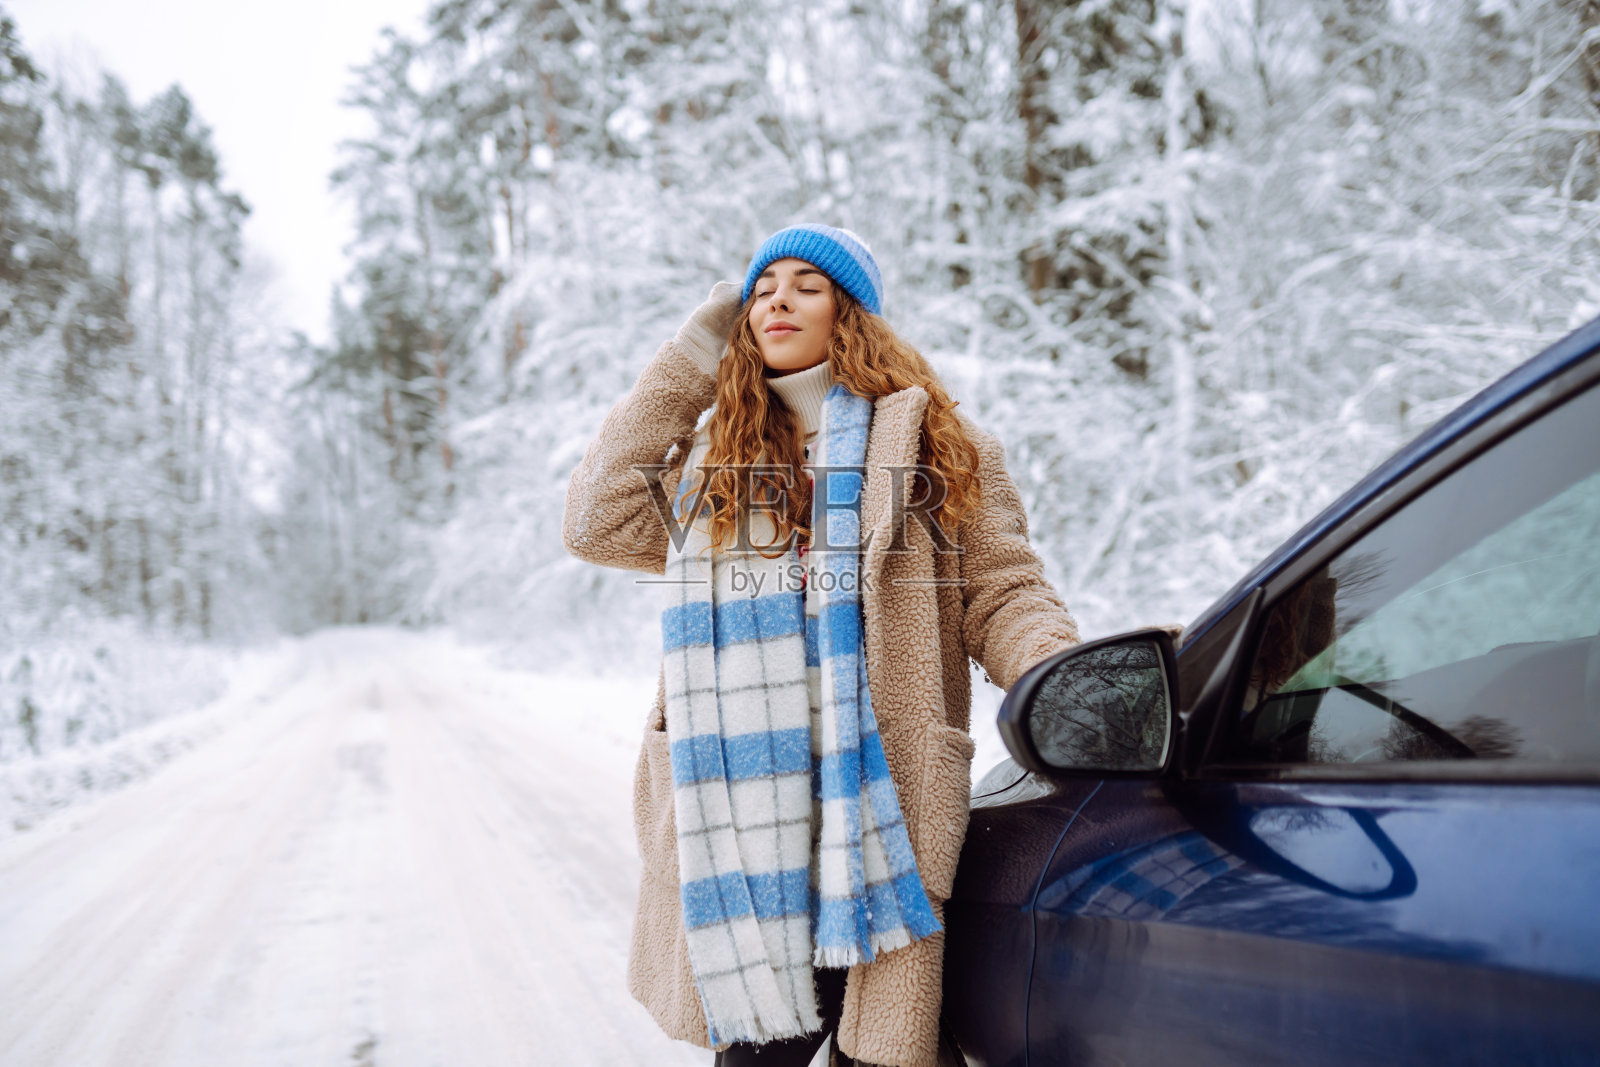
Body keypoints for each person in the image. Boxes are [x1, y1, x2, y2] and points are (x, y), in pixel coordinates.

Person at [562, 224, 1080, 1067]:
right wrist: (686, 363)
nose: (777, 299)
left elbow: (1002, 588)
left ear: (851, 312)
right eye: (762, 287)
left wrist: (1059, 674)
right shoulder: (710, 465)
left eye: (806, 283)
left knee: (878, 1053)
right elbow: (593, 518)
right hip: (747, 814)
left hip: (872, 807)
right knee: (756, 1055)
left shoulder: (934, 446)